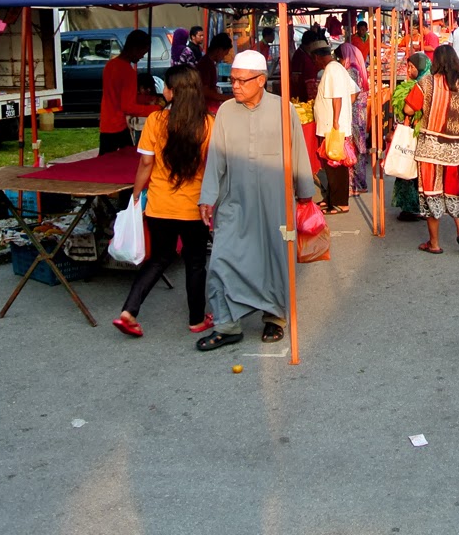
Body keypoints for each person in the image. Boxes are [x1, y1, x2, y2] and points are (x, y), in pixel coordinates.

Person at [196, 50, 316, 351]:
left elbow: (298, 152)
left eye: (240, 80)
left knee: (275, 259)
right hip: (234, 200)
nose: (234, 85)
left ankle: (274, 317)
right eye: (231, 79)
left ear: (261, 81)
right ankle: (227, 324)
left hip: (274, 200)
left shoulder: (282, 109)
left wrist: (305, 194)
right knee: (222, 258)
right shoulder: (225, 112)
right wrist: (207, 198)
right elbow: (216, 159)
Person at [114, 65, 214, 338]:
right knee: (195, 262)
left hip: (159, 204)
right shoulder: (207, 123)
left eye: (166, 87)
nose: (163, 91)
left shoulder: (156, 121)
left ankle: (129, 310)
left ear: (174, 92)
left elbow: (146, 163)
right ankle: (196, 319)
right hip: (194, 207)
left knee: (159, 258)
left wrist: (135, 195)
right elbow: (213, 165)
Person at [404, 44, 459, 254]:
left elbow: (408, 108)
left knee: (432, 193)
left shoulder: (427, 83)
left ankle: (434, 243)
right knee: (453, 191)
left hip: (430, 148)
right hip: (455, 149)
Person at [99, 29, 162, 155]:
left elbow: (119, 97)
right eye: (142, 52)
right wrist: (156, 109)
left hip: (106, 124)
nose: (142, 56)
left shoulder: (110, 65)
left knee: (104, 162)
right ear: (135, 48)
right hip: (118, 127)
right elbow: (128, 107)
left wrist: (146, 100)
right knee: (127, 161)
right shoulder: (128, 71)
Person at [314, 44, 360, 214]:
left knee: (336, 165)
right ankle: (331, 199)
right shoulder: (339, 68)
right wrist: (345, 113)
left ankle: (340, 202)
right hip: (334, 124)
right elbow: (354, 91)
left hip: (332, 127)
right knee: (330, 163)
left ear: (319, 57)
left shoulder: (332, 70)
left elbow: (337, 97)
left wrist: (336, 121)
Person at [391, 53, 431, 222]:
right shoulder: (430, 83)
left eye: (412, 67)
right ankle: (417, 207)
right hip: (418, 134)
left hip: (419, 133)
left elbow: (408, 110)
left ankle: (414, 207)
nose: (409, 70)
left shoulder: (422, 85)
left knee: (413, 170)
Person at [337, 42, 371, 195]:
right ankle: (360, 183)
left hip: (353, 115)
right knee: (359, 150)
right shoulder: (358, 68)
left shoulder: (350, 70)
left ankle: (354, 185)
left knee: (353, 150)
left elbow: (352, 93)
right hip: (360, 115)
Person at [197, 32, 233, 113]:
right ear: (219, 50)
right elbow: (205, 91)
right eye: (224, 54)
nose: (223, 57)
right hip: (207, 108)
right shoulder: (205, 64)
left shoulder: (209, 62)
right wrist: (226, 97)